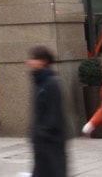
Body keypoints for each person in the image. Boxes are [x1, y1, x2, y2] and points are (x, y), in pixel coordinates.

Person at [28, 46, 67, 177]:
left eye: (34, 58)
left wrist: (42, 132)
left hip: (51, 141)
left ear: (44, 61)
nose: (30, 61)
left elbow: (54, 113)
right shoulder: (38, 81)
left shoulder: (51, 83)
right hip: (41, 141)